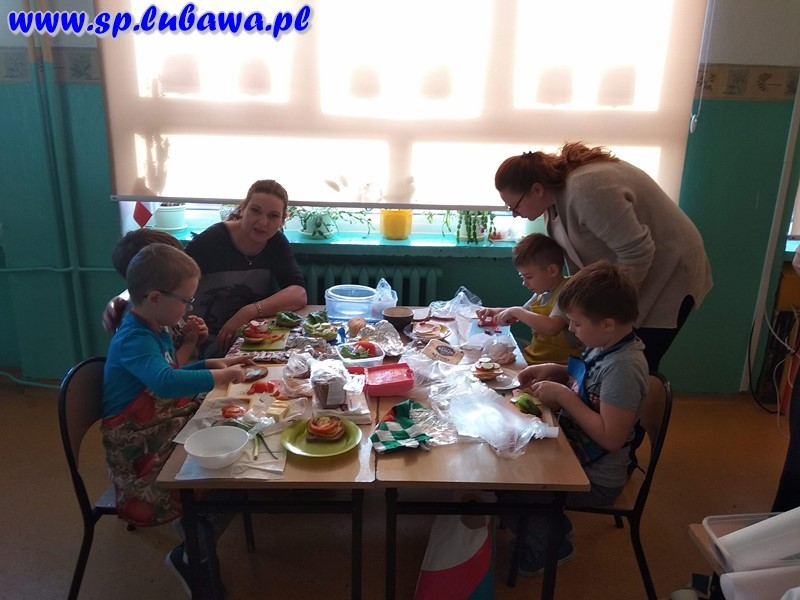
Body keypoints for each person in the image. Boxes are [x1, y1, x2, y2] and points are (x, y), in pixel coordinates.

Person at [101, 243, 252, 595]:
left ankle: (197, 535)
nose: (189, 308)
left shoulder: (156, 325)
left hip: (163, 426)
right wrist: (221, 376)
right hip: (141, 452)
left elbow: (172, 371)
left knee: (237, 448)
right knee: (224, 479)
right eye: (186, 300)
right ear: (155, 298)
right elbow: (165, 382)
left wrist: (209, 364)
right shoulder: (134, 338)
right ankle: (192, 553)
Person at [495, 141, 713, 372]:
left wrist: (604, 309)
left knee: (635, 361)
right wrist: (571, 311)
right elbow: (581, 271)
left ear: (537, 190)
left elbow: (637, 252)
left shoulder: (585, 189)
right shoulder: (552, 203)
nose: (514, 215)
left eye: (514, 206)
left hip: (670, 272)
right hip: (634, 270)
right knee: (609, 360)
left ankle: (641, 395)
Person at [498, 261, 649, 576]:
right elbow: (588, 379)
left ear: (607, 324)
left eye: (577, 324)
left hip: (597, 477)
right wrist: (556, 370)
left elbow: (611, 438)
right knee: (506, 458)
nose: (571, 329)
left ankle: (550, 549)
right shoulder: (605, 345)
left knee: (514, 482)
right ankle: (551, 527)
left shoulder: (623, 368)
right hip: (576, 450)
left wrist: (565, 396)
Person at [185, 179, 307, 356]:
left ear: (282, 220)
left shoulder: (275, 242)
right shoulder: (212, 240)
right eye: (255, 211)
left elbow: (299, 294)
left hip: (247, 339)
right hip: (202, 341)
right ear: (243, 208)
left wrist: (249, 311)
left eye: (273, 216)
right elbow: (171, 286)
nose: (263, 222)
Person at [105, 228, 208, 365]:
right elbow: (169, 369)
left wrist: (195, 335)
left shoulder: (162, 302)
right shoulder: (144, 321)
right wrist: (190, 343)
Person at [476, 233, 583, 365]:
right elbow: (524, 311)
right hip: (537, 356)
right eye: (523, 277)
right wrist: (496, 311)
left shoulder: (567, 291)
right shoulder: (544, 291)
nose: (524, 283)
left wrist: (515, 311)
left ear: (552, 271)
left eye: (529, 277)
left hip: (557, 365)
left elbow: (552, 327)